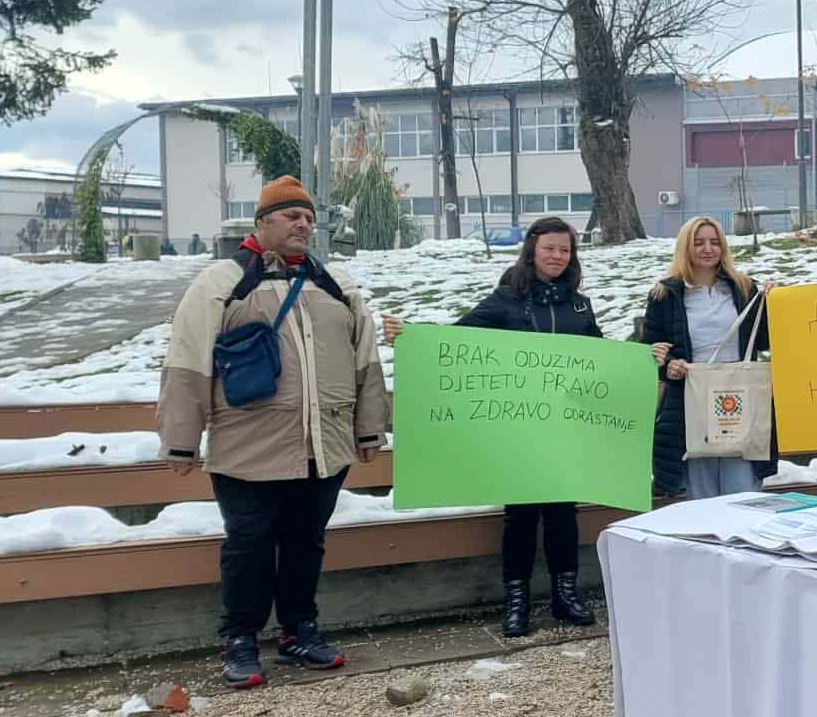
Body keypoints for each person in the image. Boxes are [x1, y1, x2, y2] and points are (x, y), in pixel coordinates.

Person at [157, 176, 389, 689]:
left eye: (307, 217)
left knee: (307, 541)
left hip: (324, 446)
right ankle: (240, 637)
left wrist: (369, 429)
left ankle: (298, 630)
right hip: (248, 447)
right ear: (262, 223)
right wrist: (181, 438)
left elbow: (365, 360)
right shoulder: (223, 281)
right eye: (290, 216)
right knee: (249, 544)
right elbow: (187, 360)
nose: (302, 224)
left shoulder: (335, 284)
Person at [383, 217, 606, 638]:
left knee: (563, 513)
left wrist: (643, 357)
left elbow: (600, 355)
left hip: (563, 428)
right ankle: (517, 599)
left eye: (565, 250)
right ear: (532, 251)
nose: (558, 257)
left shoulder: (580, 306)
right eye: (550, 249)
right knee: (520, 516)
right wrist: (410, 336)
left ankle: (565, 593)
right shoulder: (506, 300)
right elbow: (456, 341)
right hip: (516, 430)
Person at [633, 215, 773, 500]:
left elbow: (766, 339)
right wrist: (668, 365)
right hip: (690, 401)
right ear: (685, 247)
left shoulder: (745, 289)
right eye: (698, 243)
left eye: (714, 242)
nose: (707, 249)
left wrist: (775, 305)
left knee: (742, 490)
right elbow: (651, 350)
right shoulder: (664, 294)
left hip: (739, 395)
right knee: (701, 493)